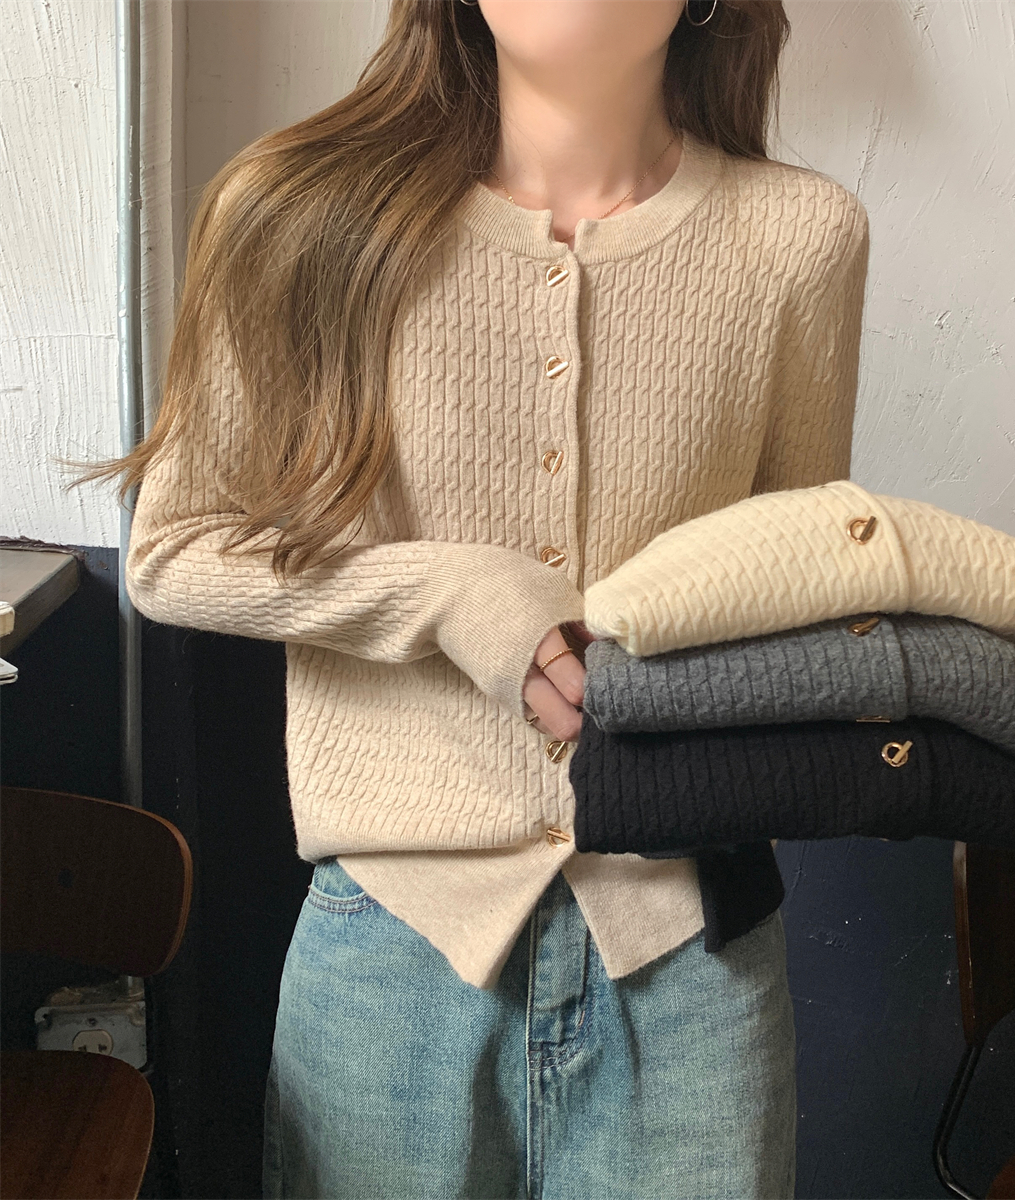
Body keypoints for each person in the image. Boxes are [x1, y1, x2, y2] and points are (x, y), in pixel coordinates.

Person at [79, 0, 869, 1195]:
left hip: (690, 949)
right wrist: (450, 593)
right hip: (392, 952)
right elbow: (177, 551)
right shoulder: (298, 213)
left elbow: (793, 577)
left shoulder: (800, 237)